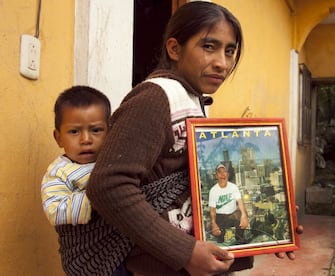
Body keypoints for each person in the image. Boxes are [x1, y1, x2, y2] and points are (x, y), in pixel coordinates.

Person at [83, 2, 297, 275]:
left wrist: (272, 222)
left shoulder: (193, 100)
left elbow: (207, 186)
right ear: (174, 49)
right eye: (209, 47)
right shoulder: (154, 98)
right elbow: (108, 185)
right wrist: (184, 251)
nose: (222, 63)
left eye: (229, 51)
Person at [40, 86, 132, 276]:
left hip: (122, 248)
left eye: (96, 130)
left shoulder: (113, 162)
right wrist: (98, 197)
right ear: (58, 138)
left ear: (109, 132)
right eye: (74, 132)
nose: (86, 139)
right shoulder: (59, 172)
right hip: (89, 257)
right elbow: (54, 209)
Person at [209, 164, 249, 244]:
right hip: (220, 217)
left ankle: (239, 236)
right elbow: (212, 209)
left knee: (241, 213)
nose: (222, 174)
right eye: (220, 172)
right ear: (216, 175)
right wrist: (213, 223)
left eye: (224, 172)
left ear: (227, 175)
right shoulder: (213, 190)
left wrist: (244, 216)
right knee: (211, 227)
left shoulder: (233, 187)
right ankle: (220, 238)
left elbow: (240, 202)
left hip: (232, 215)